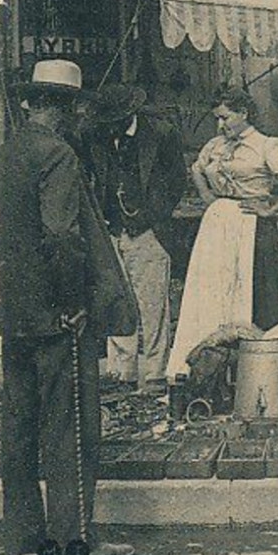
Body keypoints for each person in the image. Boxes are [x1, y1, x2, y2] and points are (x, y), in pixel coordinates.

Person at [0, 60, 137, 555]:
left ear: (32, 102)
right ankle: (71, 538)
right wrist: (73, 303)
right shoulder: (58, 156)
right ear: (67, 109)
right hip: (58, 314)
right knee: (70, 426)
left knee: (17, 421)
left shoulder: (5, 154)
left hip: (14, 312)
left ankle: (19, 534)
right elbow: (61, 236)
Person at [167, 88, 278, 381]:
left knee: (257, 295)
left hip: (252, 225)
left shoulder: (267, 145)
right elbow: (196, 169)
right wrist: (210, 198)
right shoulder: (214, 145)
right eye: (217, 119)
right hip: (218, 223)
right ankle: (210, 367)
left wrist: (272, 208)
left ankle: (261, 372)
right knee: (211, 293)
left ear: (243, 113)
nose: (220, 125)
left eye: (225, 117)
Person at [80, 83, 188, 389]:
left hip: (149, 233)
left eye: (115, 120)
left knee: (153, 305)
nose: (110, 126)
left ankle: (155, 372)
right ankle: (122, 373)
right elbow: (90, 176)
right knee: (117, 302)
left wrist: (154, 215)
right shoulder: (94, 136)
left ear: (130, 114)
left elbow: (177, 180)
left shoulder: (162, 134)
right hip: (112, 230)